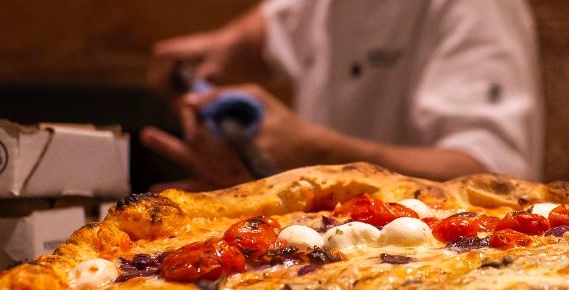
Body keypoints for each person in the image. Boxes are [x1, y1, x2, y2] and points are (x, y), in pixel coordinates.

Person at [143, 0, 544, 190]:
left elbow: (498, 177)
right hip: (326, 239)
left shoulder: (479, 8)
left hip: (440, 263)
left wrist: (313, 152)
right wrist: (214, 50)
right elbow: (276, 25)